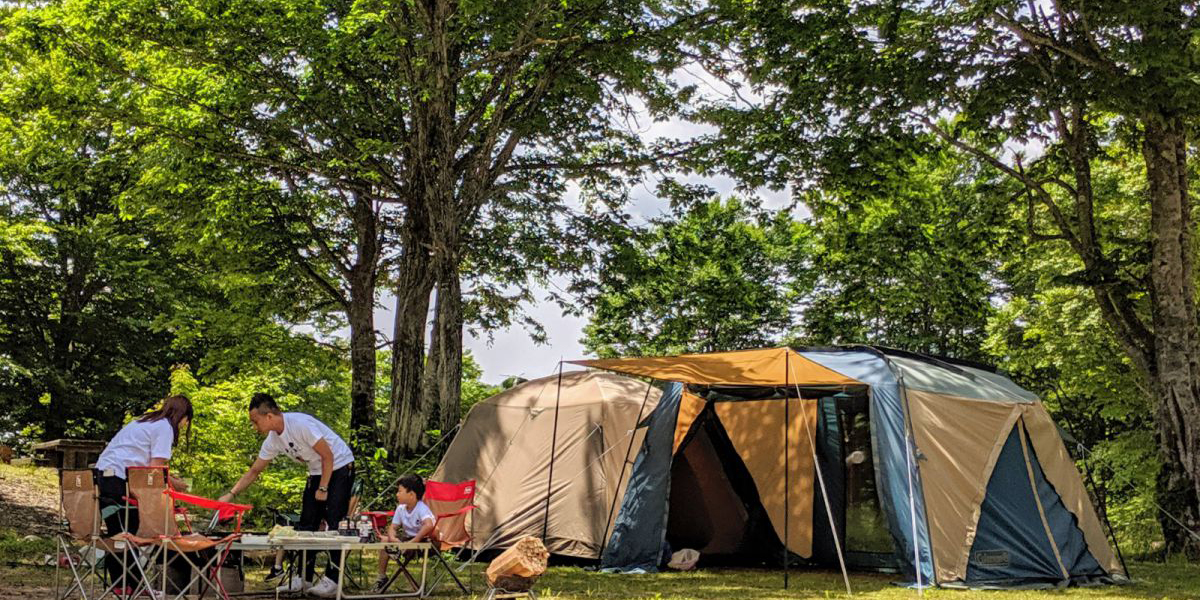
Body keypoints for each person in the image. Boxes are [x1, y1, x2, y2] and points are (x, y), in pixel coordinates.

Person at [218, 394, 354, 598]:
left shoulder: (300, 424)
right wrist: (231, 493)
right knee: (307, 523)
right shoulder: (272, 440)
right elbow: (255, 470)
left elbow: (328, 455)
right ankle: (304, 578)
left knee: (334, 523)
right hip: (317, 470)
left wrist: (324, 488)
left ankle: (333, 579)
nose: (254, 427)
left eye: (255, 422)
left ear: (269, 416)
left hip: (340, 465)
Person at [95, 395, 193, 595]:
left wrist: (168, 478)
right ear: (183, 417)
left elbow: (149, 466)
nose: (184, 426)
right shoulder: (165, 427)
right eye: (186, 422)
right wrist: (174, 485)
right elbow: (155, 471)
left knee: (118, 533)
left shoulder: (143, 421)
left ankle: (123, 586)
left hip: (102, 476)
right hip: (120, 480)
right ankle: (131, 586)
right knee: (131, 532)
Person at [372, 474, 436, 592]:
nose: (397, 494)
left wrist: (414, 541)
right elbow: (393, 527)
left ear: (411, 495)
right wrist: (392, 537)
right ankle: (382, 577)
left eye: (400, 491)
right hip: (408, 539)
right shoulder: (401, 508)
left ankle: (398, 552)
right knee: (385, 540)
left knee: (404, 544)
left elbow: (429, 525)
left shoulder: (421, 508)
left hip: (425, 541)